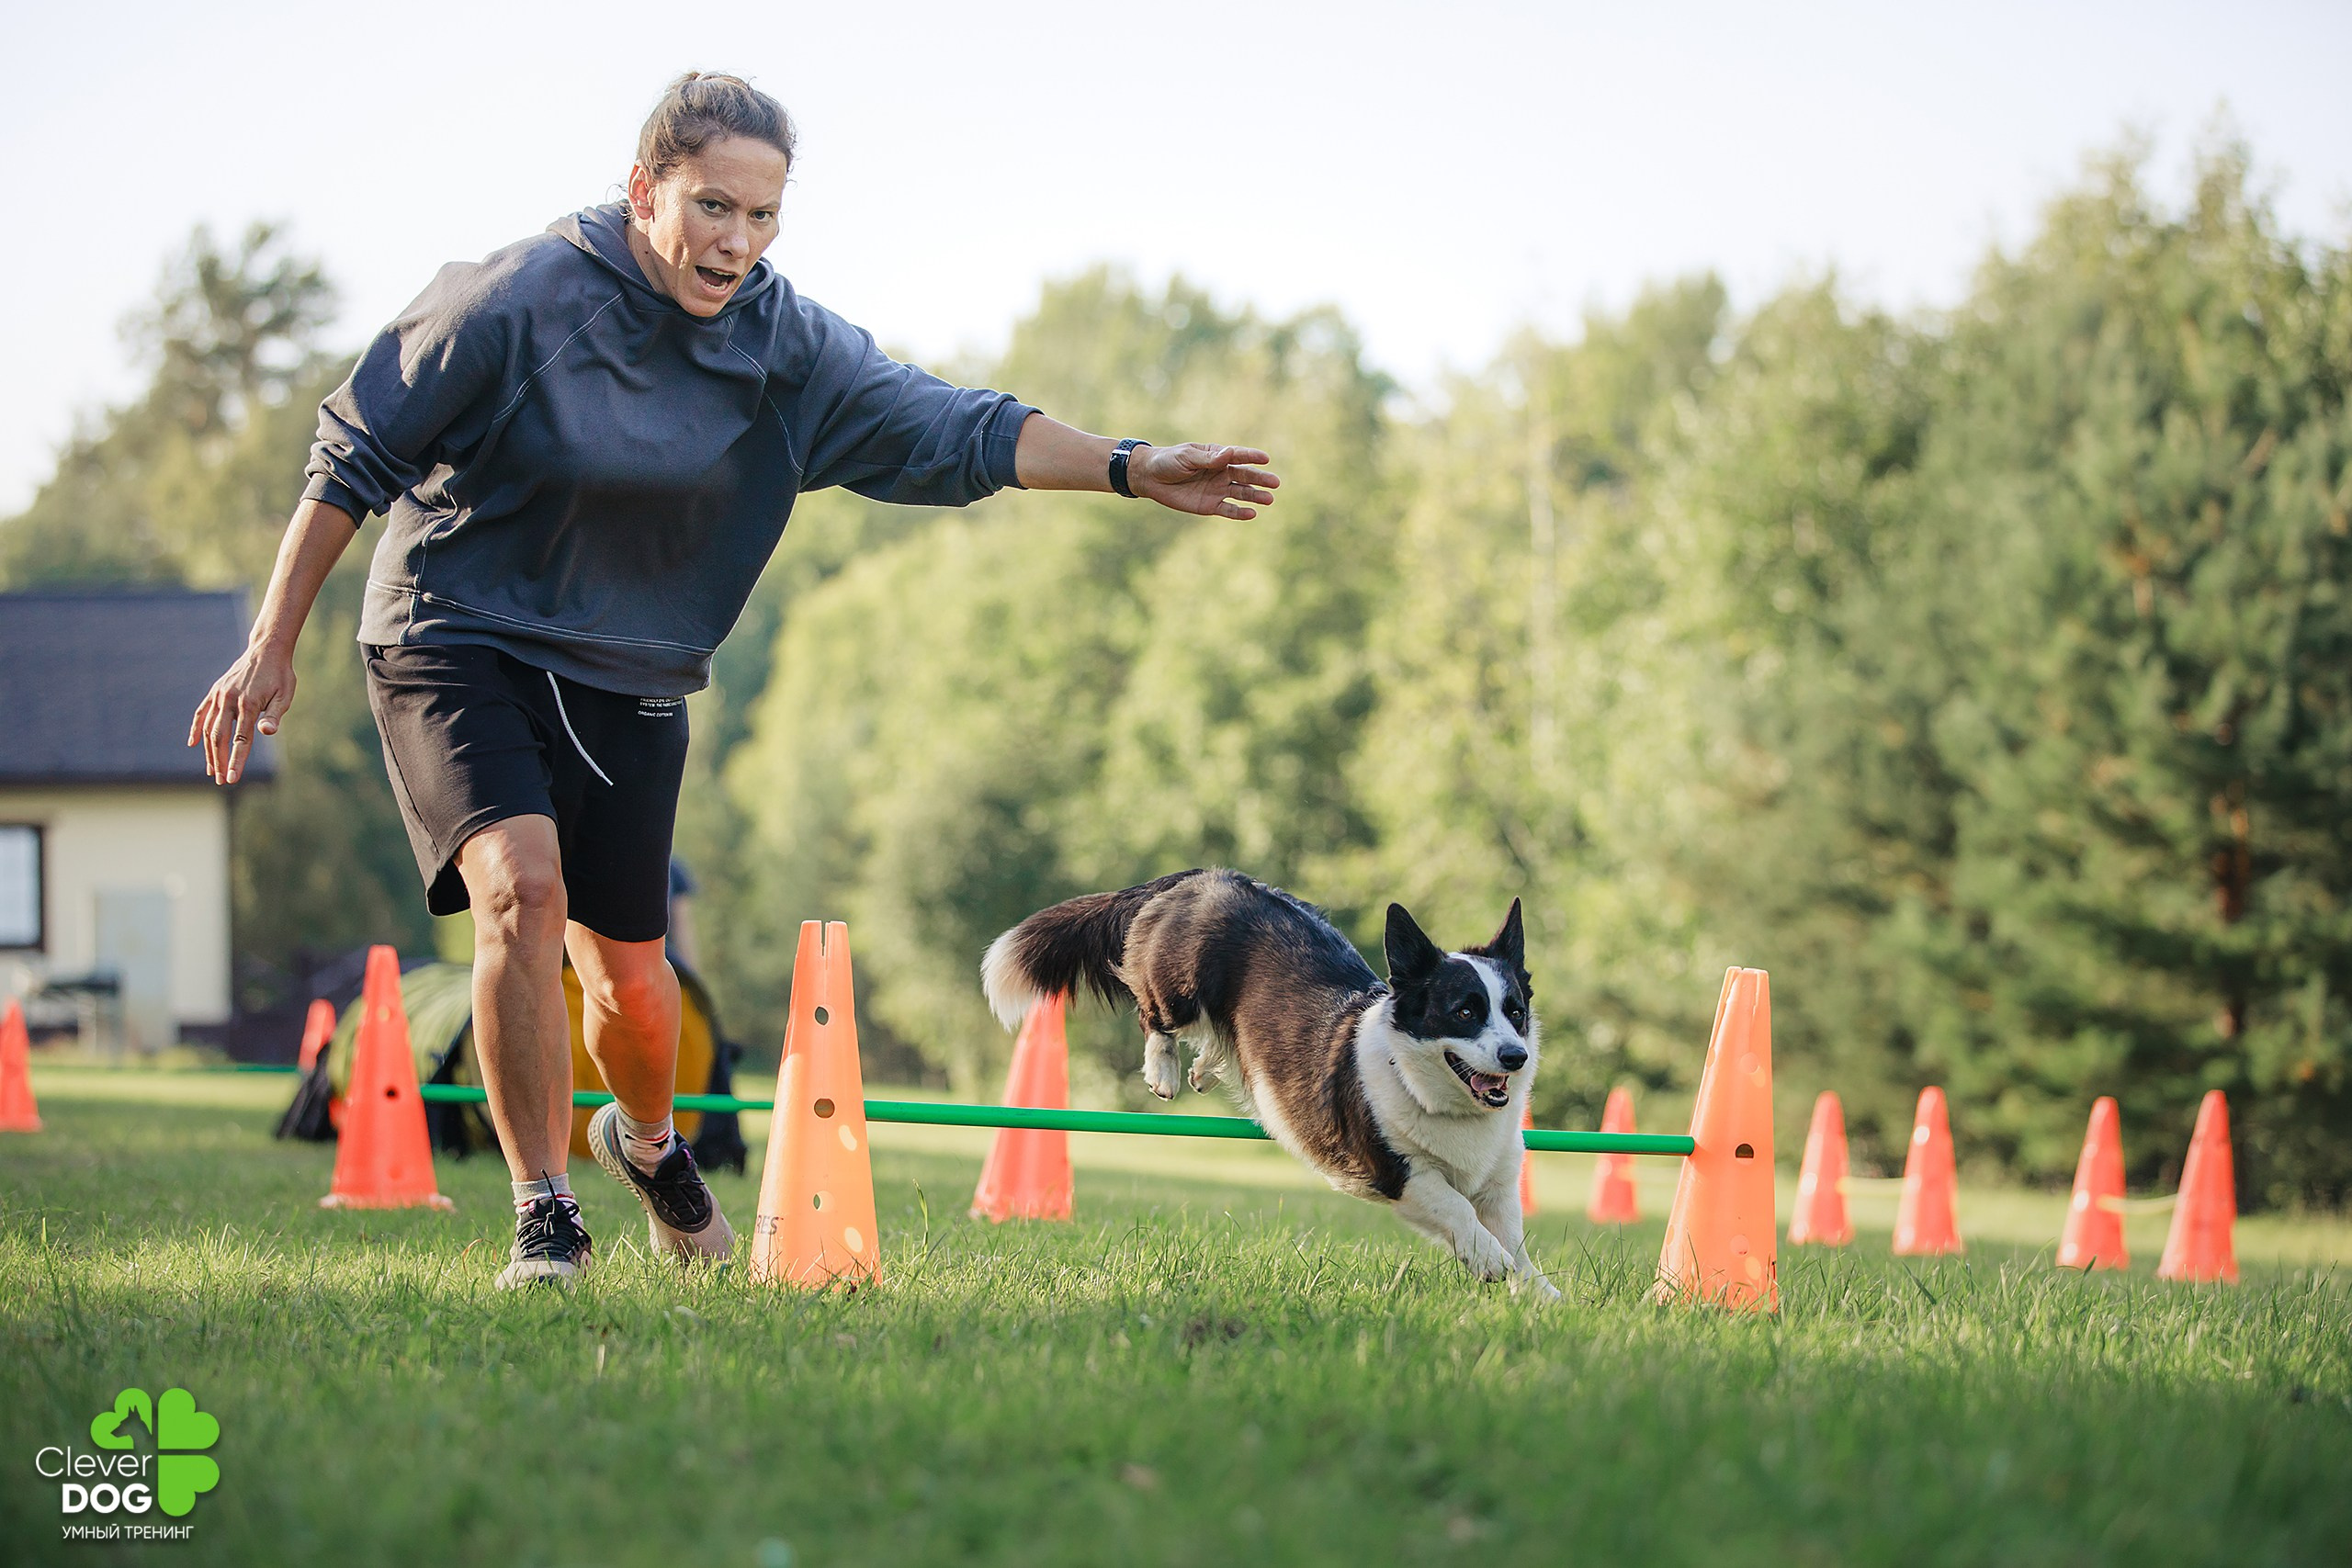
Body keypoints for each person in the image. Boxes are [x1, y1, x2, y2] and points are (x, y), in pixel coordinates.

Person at [188, 73, 1278, 1289]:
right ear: (646, 188)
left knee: (639, 988)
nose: (738, 243)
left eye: (764, 218)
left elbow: (956, 426)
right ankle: (544, 1209)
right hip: (456, 629)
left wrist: (1130, 465)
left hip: (631, 670)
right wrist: (270, 642)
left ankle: (645, 1145)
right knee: (522, 891)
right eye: (714, 207)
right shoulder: (516, 300)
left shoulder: (783, 344)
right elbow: (353, 451)